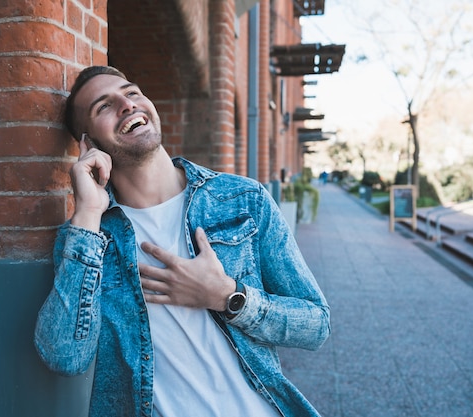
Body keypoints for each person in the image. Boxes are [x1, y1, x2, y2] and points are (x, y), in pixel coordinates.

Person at [34, 65, 330, 417]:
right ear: (89, 144)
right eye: (104, 106)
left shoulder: (242, 199)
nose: (127, 105)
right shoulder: (90, 240)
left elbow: (316, 324)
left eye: (131, 92)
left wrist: (228, 297)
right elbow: (64, 355)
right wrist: (88, 213)